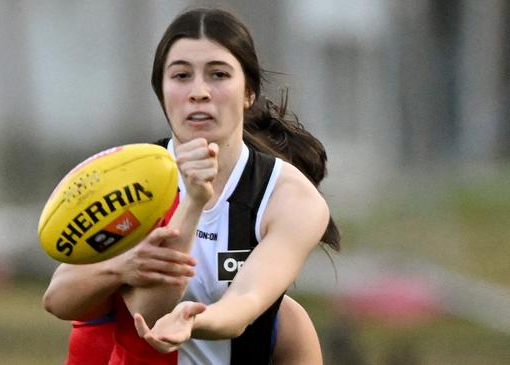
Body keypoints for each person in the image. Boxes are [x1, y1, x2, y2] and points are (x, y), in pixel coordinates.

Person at [43, 7, 339, 364]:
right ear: (162, 93)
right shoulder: (126, 179)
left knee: (292, 322)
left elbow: (245, 303)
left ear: (248, 93)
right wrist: (121, 266)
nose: (199, 91)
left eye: (218, 74)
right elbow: (60, 298)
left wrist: (193, 320)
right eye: (181, 75)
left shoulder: (290, 197)